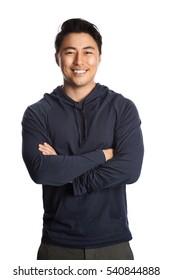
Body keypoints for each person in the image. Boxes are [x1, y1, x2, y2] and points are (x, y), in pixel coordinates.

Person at [22, 18, 144, 260]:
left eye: (88, 52)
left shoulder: (122, 108)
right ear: (57, 57)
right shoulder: (38, 113)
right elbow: (41, 172)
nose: (79, 61)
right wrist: (102, 156)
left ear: (99, 57)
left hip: (114, 244)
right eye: (70, 52)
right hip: (57, 245)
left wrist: (67, 170)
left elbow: (130, 170)